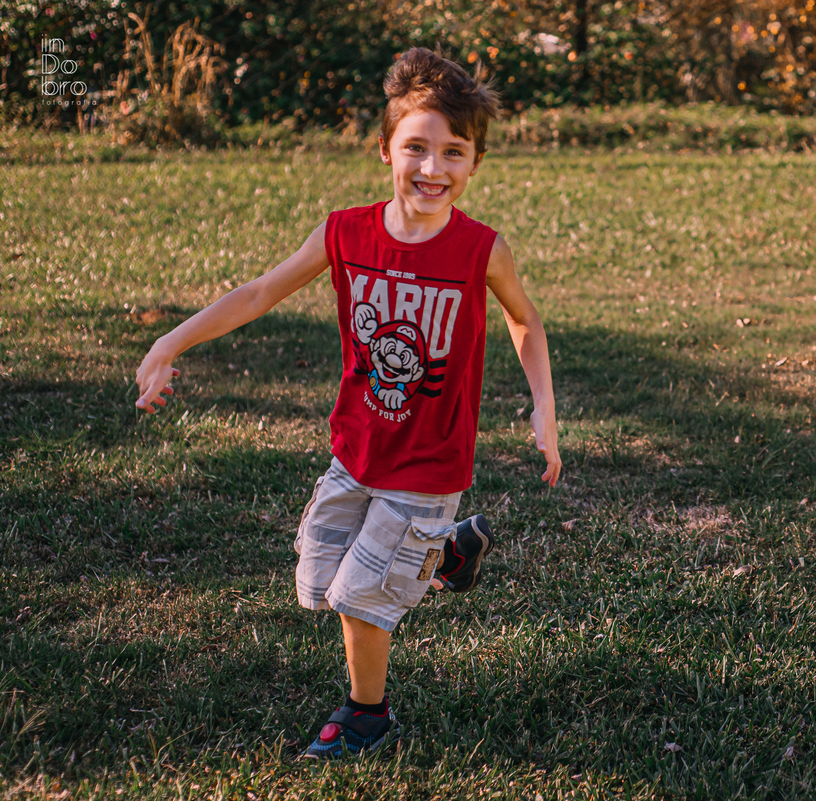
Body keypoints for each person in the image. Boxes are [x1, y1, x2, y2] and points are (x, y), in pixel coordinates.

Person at [133, 48, 562, 759]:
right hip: (357, 449)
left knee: (360, 602)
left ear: (474, 163)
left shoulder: (481, 249)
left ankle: (367, 714)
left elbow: (526, 320)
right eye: (416, 148)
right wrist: (171, 343)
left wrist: (543, 408)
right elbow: (259, 292)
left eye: (453, 152)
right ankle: (448, 553)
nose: (433, 168)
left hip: (429, 463)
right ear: (385, 150)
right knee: (318, 582)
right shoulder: (344, 233)